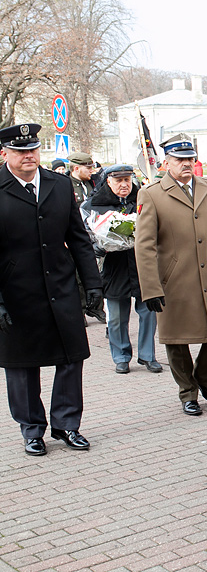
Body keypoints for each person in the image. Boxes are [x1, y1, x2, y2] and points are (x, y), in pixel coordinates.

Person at [0, 123, 102, 456]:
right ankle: (32, 429)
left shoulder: (59, 185)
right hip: (15, 293)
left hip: (60, 287)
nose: (28, 156)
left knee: (72, 358)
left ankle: (66, 424)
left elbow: (79, 239)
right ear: (5, 154)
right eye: (20, 151)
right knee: (21, 365)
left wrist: (93, 285)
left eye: (32, 149)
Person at [135, 133, 207, 417]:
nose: (186, 164)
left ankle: (204, 379)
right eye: (179, 159)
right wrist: (150, 288)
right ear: (166, 162)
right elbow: (145, 244)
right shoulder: (151, 194)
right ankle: (187, 392)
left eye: (190, 159)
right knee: (177, 340)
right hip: (175, 278)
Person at [81, 164, 161, 375]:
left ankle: (148, 355)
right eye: (119, 180)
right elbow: (84, 236)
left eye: (127, 180)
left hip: (142, 267)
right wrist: (99, 245)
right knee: (116, 317)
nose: (124, 184)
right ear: (108, 182)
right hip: (113, 268)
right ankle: (121, 356)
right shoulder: (94, 206)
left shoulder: (142, 201)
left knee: (149, 313)